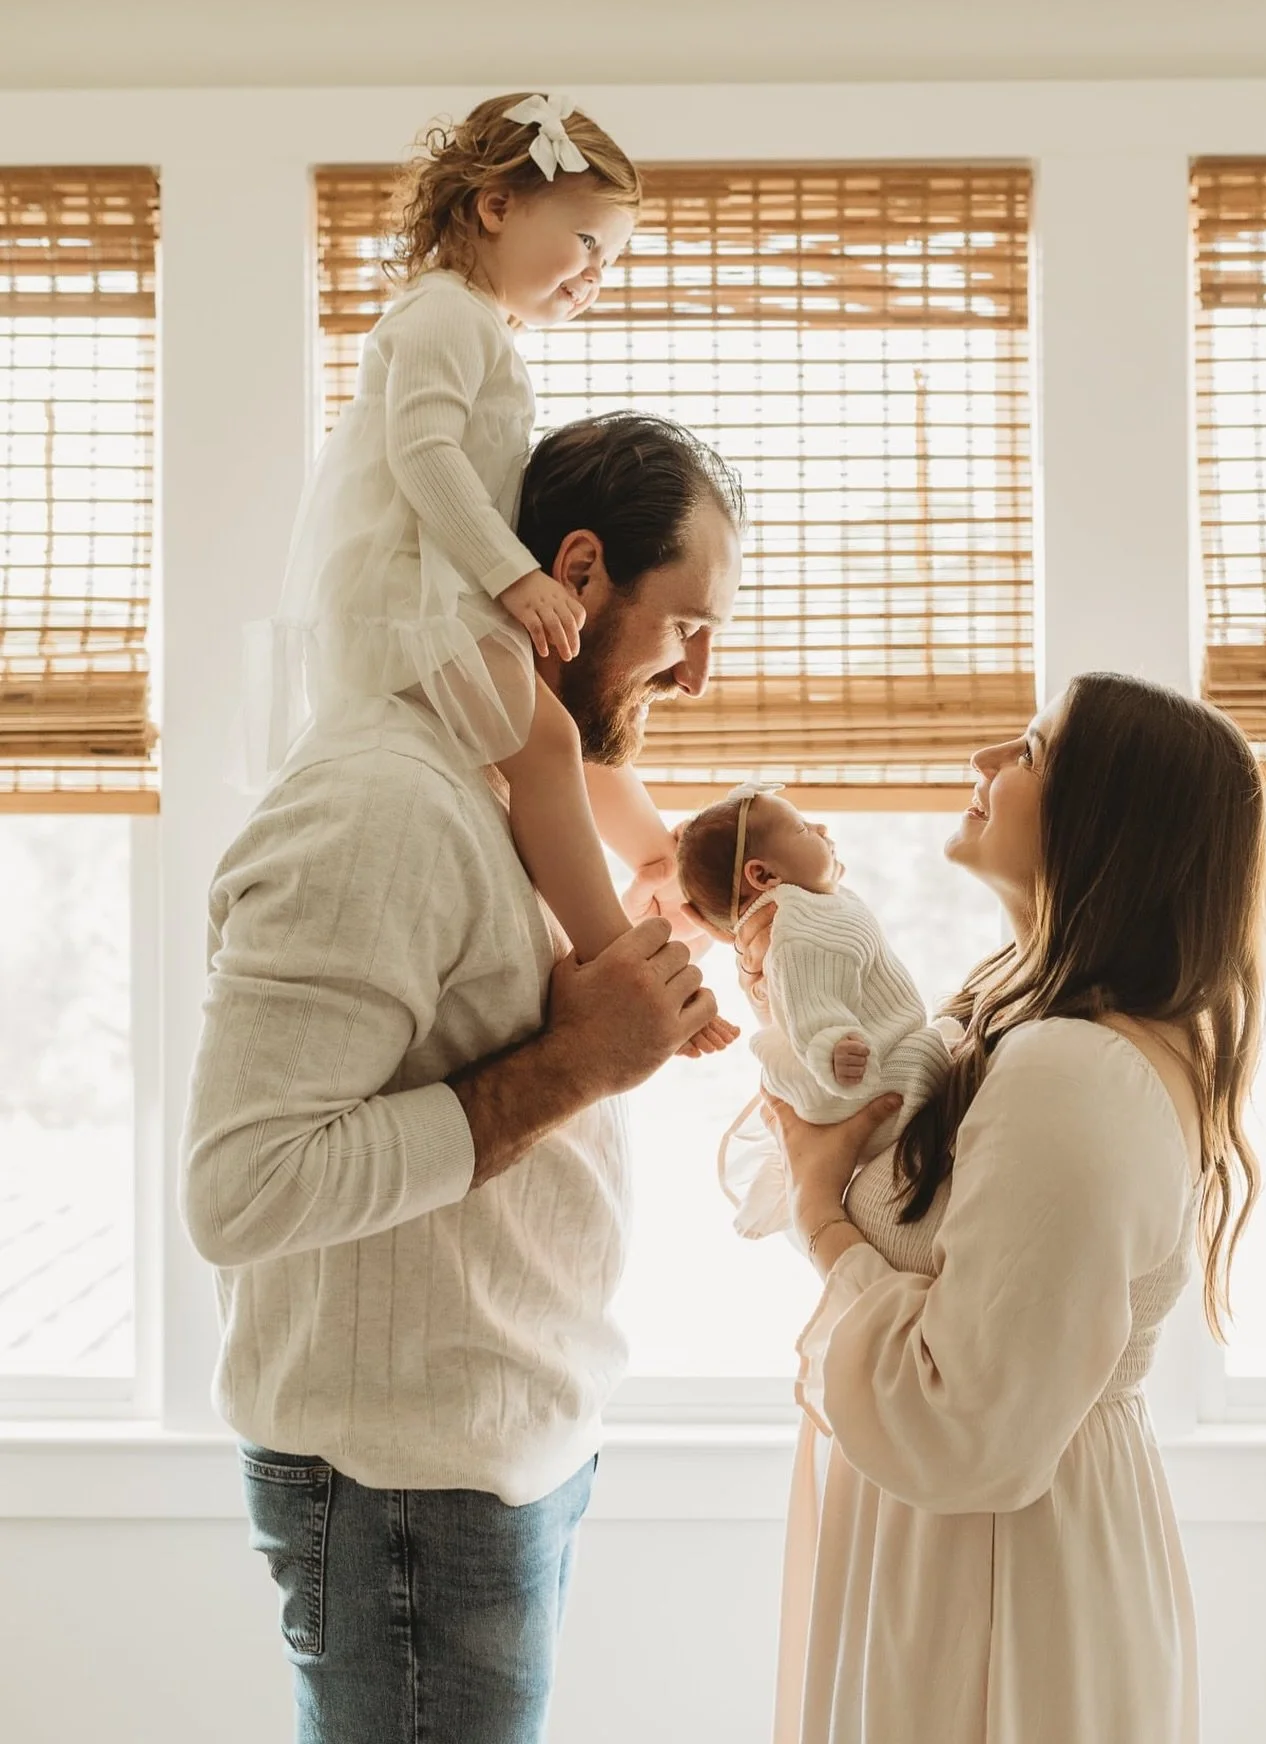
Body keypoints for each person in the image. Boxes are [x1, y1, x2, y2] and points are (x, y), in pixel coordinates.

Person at [182, 411, 745, 1744]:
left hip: (492, 1459)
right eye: (683, 625)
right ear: (581, 572)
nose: (697, 675)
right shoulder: (383, 807)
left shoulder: (513, 782)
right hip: (405, 1499)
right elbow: (243, 1190)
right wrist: (578, 1064)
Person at [752, 672, 1266, 1744]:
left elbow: (966, 1419)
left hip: (1000, 1569)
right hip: (972, 1543)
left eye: (1030, 751)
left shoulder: (1076, 1074)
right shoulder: (1014, 1029)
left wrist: (822, 1221)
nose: (984, 759)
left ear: (1107, 824)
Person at [255, 91, 722, 1027]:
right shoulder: (443, 315)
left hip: (438, 591)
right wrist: (513, 574)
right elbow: (422, 453)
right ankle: (619, 958)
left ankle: (648, 865)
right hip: (406, 595)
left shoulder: (481, 330)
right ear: (497, 206)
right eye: (587, 243)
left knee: (548, 726)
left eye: (611, 261)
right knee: (545, 740)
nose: (594, 277)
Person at [676, 784, 952, 1238]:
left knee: (937, 1044)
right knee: (932, 1056)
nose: (821, 827)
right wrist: (831, 1046)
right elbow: (809, 1002)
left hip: (854, 1059)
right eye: (803, 829)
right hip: (846, 1078)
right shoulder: (797, 928)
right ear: (764, 875)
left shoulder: (808, 908)